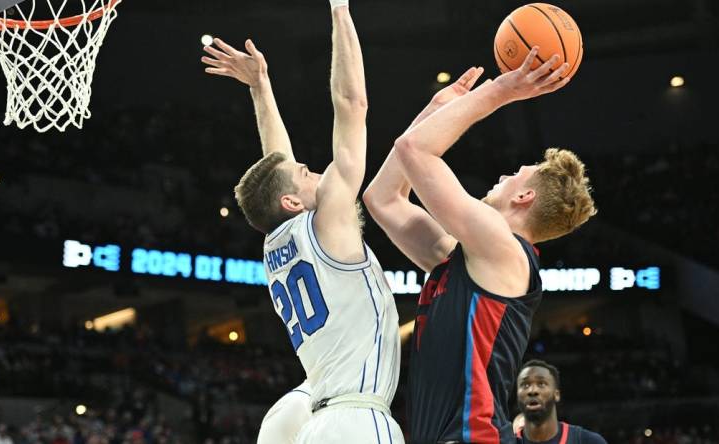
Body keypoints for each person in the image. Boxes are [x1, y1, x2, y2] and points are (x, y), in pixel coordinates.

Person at [363, 47, 596, 444]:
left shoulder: (505, 249)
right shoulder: (465, 258)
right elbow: (382, 199)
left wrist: (502, 91)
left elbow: (414, 150)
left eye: (514, 175)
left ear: (525, 198)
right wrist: (434, 110)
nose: (504, 176)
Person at [201, 0, 404, 442]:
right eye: (307, 174)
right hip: (355, 419)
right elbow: (353, 103)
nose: (315, 170)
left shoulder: (278, 241)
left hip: (309, 417)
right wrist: (340, 10)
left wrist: (261, 86)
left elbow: (277, 164)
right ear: (292, 201)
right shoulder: (328, 216)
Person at [516, 360, 607, 444]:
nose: (532, 390)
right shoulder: (507, 441)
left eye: (541, 384)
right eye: (525, 385)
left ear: (556, 394)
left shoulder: (589, 441)